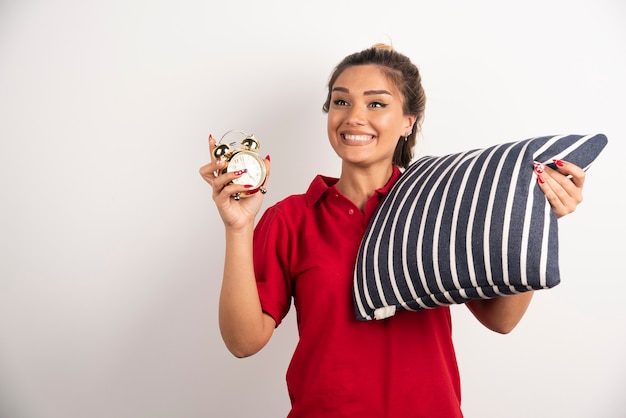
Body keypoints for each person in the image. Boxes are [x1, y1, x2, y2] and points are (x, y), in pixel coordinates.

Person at [199, 44, 585, 417]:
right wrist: (238, 228)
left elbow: (500, 320)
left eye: (376, 103)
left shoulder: (439, 201)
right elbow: (243, 342)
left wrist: (539, 217)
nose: (353, 116)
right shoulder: (292, 217)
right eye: (341, 101)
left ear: (407, 121)